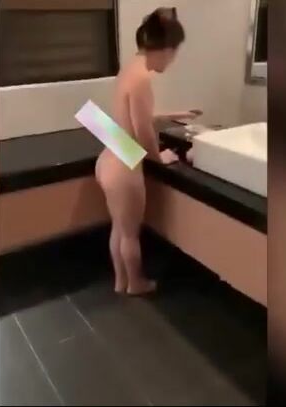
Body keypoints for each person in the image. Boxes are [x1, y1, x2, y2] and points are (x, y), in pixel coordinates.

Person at [95, 7, 201, 295]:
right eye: (174, 53)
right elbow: (143, 132)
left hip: (109, 157)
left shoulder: (130, 69)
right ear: (166, 49)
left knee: (119, 228)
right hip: (124, 167)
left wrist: (177, 114)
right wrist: (159, 158)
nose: (173, 60)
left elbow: (133, 117)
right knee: (130, 234)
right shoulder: (143, 79)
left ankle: (121, 281)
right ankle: (136, 283)